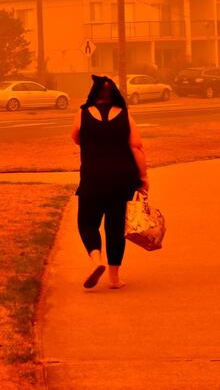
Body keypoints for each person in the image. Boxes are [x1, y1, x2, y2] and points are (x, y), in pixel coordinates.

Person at [71, 75, 148, 289]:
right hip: (121, 180)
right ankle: (114, 279)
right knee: (115, 228)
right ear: (115, 94)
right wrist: (143, 178)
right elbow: (137, 146)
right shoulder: (125, 115)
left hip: (92, 179)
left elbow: (75, 137)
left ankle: (96, 261)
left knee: (87, 223)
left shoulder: (82, 114)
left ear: (93, 94)